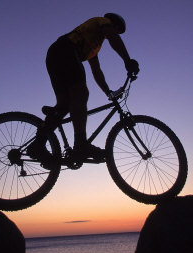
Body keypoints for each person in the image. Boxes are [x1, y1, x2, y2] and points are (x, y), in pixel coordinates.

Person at [27, 13, 139, 166]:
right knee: (81, 93)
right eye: (117, 29)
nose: (115, 33)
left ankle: (37, 145)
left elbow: (96, 71)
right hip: (66, 50)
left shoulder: (94, 42)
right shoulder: (103, 21)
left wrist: (108, 92)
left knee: (65, 104)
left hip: (55, 55)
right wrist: (127, 60)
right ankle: (81, 145)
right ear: (114, 24)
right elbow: (113, 38)